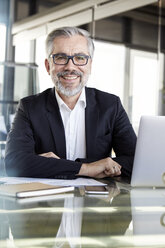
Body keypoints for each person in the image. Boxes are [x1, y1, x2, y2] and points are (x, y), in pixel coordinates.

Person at [5, 26, 136, 179]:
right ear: (48, 66)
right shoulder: (29, 107)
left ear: (90, 65)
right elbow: (14, 163)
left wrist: (57, 166)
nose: (70, 67)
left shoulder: (111, 105)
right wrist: (86, 168)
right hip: (46, 201)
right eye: (61, 58)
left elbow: (135, 162)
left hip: (96, 201)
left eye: (80, 58)